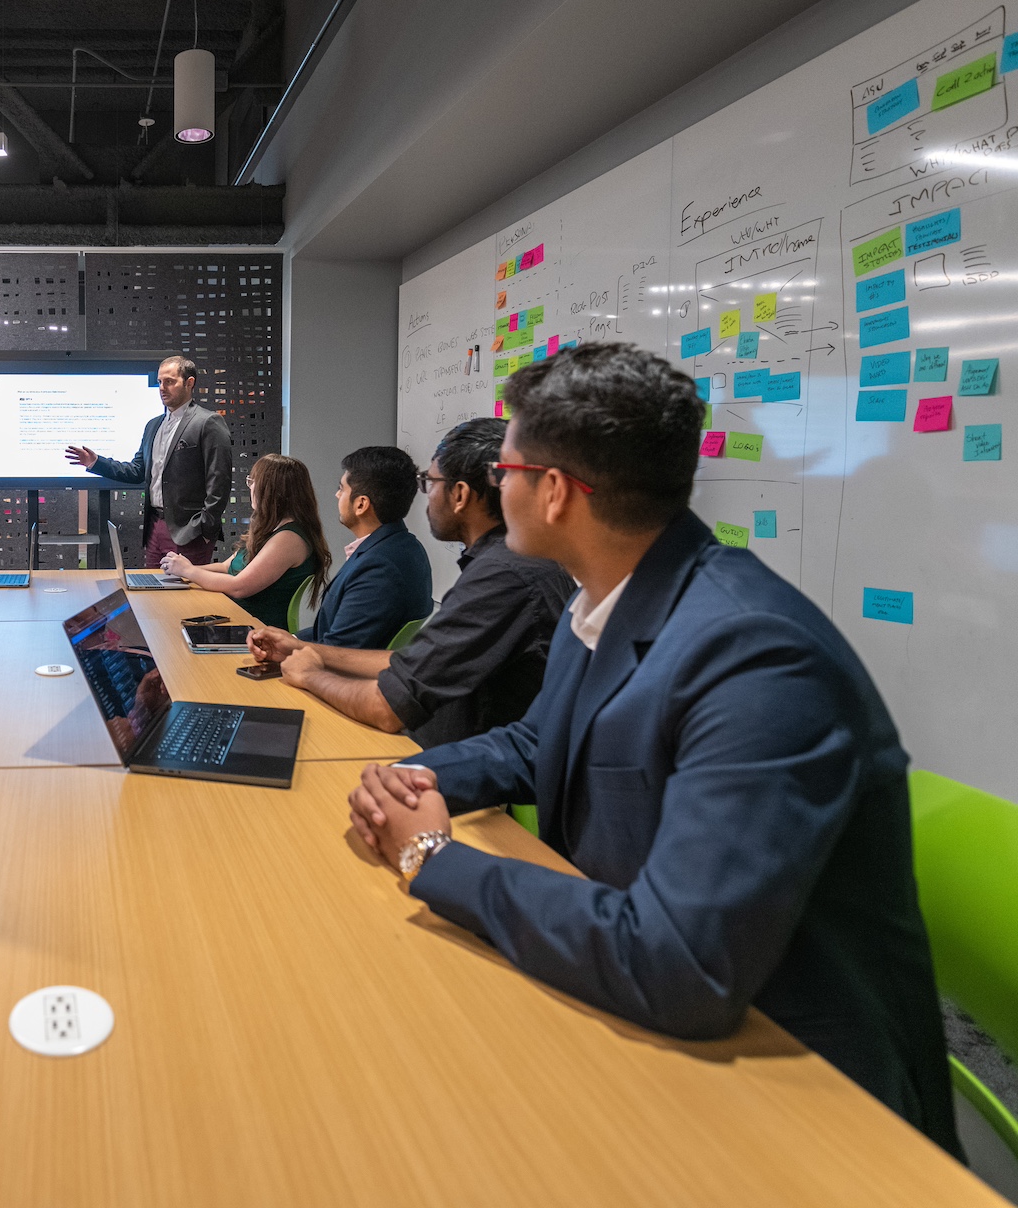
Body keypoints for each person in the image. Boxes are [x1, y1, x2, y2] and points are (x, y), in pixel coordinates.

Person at [348, 344, 959, 1153]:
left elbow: (680, 962)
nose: (497, 486)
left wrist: (432, 857)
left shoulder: (755, 656)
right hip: (644, 1025)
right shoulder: (608, 598)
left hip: (803, 1100)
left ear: (556, 492)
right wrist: (410, 777)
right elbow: (542, 742)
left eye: (507, 470)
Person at [247, 419, 574, 746]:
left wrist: (311, 674)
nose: (426, 495)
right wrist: (301, 647)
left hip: (450, 758)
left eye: (428, 482)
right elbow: (411, 661)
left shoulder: (503, 577)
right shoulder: (504, 564)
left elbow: (388, 707)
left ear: (459, 494)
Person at [64, 355, 233, 567]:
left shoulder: (208, 422)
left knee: (184, 596)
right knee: (151, 590)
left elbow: (220, 482)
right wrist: (96, 462)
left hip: (189, 530)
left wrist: (203, 528)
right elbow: (137, 471)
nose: (162, 388)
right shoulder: (153, 425)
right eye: (160, 382)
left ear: (190, 383)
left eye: (170, 381)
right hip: (154, 526)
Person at [159, 453, 330, 627]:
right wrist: (182, 570)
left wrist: (189, 572)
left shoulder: (289, 539)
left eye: (254, 481)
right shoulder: (271, 527)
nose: (250, 486)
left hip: (258, 631)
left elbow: (239, 587)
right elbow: (227, 567)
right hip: (235, 618)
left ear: (272, 490)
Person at [295, 445, 431, 650]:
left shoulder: (379, 568)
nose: (336, 495)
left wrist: (288, 646)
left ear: (361, 504)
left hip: (337, 674)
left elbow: (339, 651)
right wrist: (291, 639)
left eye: (341, 488)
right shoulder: (403, 546)